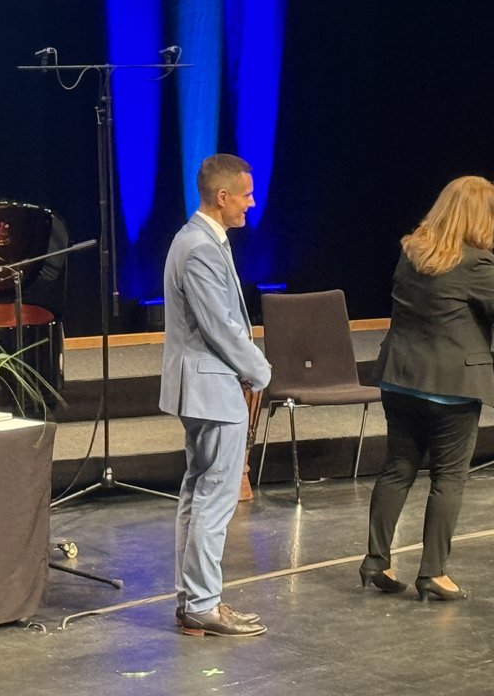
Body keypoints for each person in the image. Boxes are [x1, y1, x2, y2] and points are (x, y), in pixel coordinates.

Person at [361, 175, 494, 602]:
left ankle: (376, 560)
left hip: (401, 379)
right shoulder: (476, 263)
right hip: (451, 389)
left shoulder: (411, 251)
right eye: (493, 210)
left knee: (397, 469)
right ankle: (433, 572)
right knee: (448, 478)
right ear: (476, 215)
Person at [160, 153, 272, 636]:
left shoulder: (201, 240)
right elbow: (220, 327)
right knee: (214, 497)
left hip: (205, 386)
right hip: (212, 387)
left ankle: (192, 601)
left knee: (198, 493)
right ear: (222, 196)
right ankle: (202, 604)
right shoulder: (199, 247)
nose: (251, 203)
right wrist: (260, 370)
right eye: (246, 195)